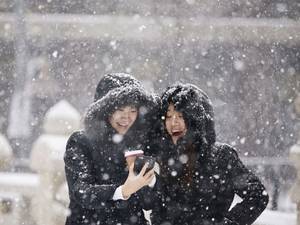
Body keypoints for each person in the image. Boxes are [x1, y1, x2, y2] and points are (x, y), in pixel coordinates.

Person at [151, 83, 269, 225]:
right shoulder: (162, 158)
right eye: (168, 116)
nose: (173, 122)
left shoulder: (221, 156)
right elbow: (155, 208)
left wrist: (229, 222)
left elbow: (257, 195)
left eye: (181, 115)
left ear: (196, 118)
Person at [64, 73, 159, 225]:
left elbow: (150, 202)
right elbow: (81, 191)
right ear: (104, 110)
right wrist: (122, 191)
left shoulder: (137, 144)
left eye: (133, 110)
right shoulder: (81, 141)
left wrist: (150, 179)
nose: (127, 117)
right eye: (120, 109)